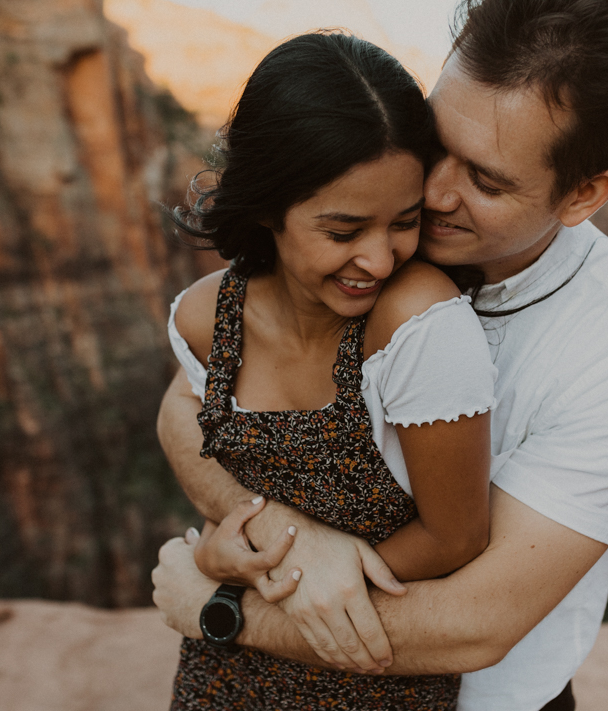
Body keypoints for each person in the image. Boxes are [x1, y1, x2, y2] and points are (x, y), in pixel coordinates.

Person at [153, 1, 608, 709]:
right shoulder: (368, 242)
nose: (431, 195)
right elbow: (187, 406)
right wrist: (291, 536)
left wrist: (225, 611)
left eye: (487, 182)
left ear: (584, 193)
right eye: (436, 144)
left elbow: (476, 624)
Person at [163, 31, 500, 709]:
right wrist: (233, 551)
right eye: (344, 232)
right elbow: (179, 420)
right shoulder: (206, 319)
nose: (379, 259)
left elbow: (457, 534)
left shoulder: (417, 322)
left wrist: (241, 587)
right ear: (267, 208)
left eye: (404, 221)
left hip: (374, 678)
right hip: (220, 681)